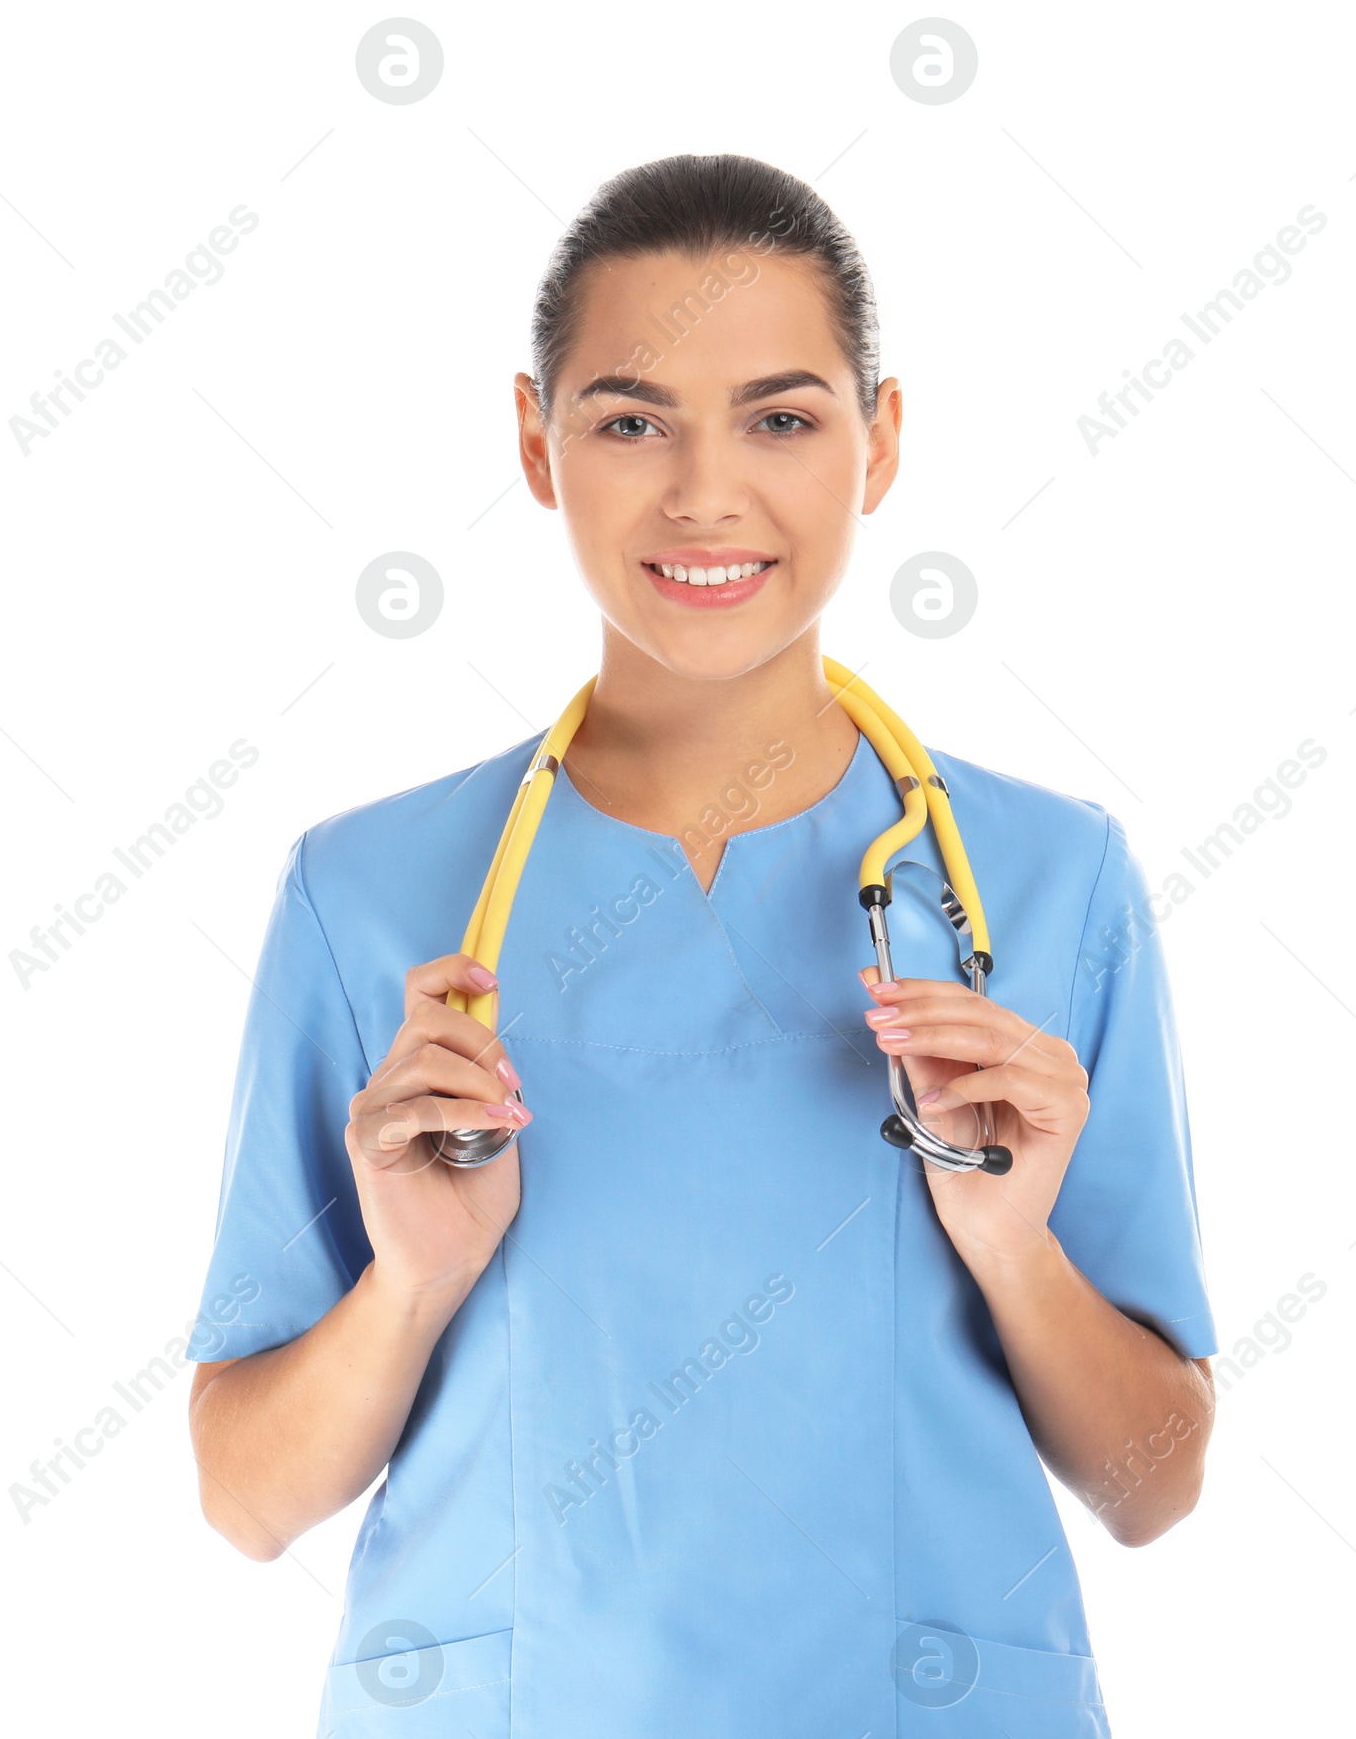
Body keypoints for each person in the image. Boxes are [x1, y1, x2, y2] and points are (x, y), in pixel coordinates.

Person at [186, 152, 1217, 1737]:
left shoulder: (1045, 883)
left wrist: (1012, 1248)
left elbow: (1155, 1487)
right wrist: (408, 1283)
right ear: (536, 444)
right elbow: (247, 1502)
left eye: (784, 418)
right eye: (629, 420)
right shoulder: (374, 897)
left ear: (882, 446)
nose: (705, 494)